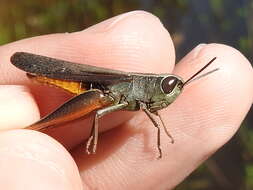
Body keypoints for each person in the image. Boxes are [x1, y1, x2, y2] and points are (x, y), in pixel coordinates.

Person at [0, 11, 252, 190]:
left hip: (106, 96)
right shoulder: (138, 83)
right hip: (95, 87)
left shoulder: (149, 100)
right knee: (98, 107)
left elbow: (154, 115)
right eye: (169, 85)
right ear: (157, 83)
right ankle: (39, 117)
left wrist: (164, 132)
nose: (171, 94)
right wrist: (93, 138)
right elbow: (100, 114)